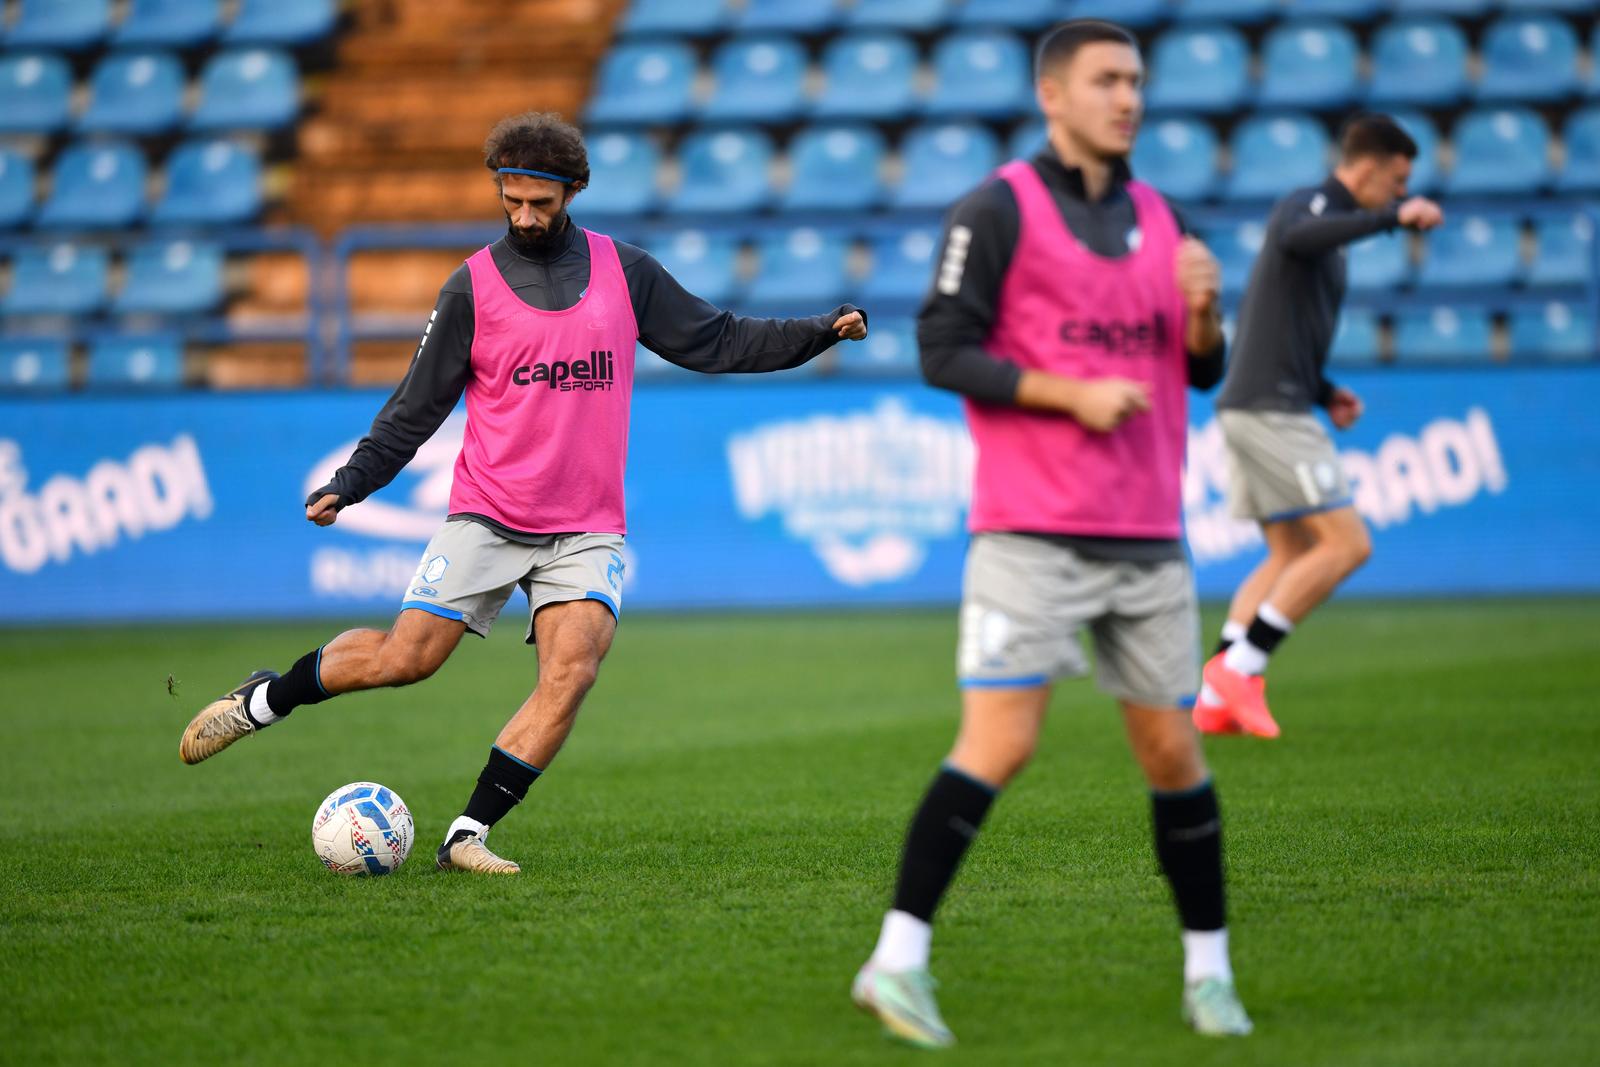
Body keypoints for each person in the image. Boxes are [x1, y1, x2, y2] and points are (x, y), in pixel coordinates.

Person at [179, 111, 868, 875]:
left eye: (540, 202)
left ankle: (466, 834)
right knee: (405, 660)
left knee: (572, 670)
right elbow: (416, 406)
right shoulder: (470, 287)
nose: (525, 216)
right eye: (512, 201)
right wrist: (353, 482)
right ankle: (264, 699)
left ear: (573, 190)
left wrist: (819, 331)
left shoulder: (625, 272)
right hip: (490, 513)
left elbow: (721, 340)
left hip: (587, 525)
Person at [851, 20, 1250, 1049]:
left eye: (1136, 82)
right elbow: (939, 347)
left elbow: (1200, 370)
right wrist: (1064, 393)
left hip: (1150, 536)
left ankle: (1209, 975)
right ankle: (895, 961)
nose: (1127, 98)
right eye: (1106, 80)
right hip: (1030, 533)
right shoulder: (995, 210)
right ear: (1053, 96)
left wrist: (1205, 321)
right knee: (1000, 741)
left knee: (1171, 752)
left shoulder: (1166, 218)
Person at [1195, 114, 1443, 739]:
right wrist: (1393, 219)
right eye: (1396, 181)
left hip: (1262, 401)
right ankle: (1242, 669)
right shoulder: (1306, 208)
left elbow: (1280, 328)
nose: (1398, 192)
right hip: (1270, 409)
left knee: (1290, 551)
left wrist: (1326, 391)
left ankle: (1213, 694)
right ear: (1367, 168)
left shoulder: (1325, 232)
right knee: (1347, 544)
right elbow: (1301, 235)